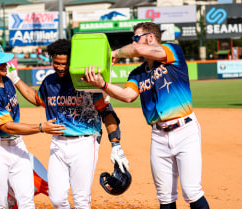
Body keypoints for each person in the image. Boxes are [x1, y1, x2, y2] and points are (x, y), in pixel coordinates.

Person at [83, 22, 210, 209]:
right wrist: (103, 85)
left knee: (192, 192)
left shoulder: (171, 52)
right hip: (159, 136)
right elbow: (128, 96)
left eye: (136, 37)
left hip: (185, 131)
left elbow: (137, 48)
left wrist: (115, 53)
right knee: (165, 197)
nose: (133, 42)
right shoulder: (138, 73)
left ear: (150, 37)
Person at [7, 39, 128, 209]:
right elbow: (37, 99)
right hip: (58, 143)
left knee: (81, 199)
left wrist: (116, 144)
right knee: (56, 199)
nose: (61, 67)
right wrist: (15, 78)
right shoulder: (49, 82)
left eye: (65, 63)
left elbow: (107, 112)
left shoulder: (85, 81)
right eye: (57, 63)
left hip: (85, 143)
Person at [0, 42, 65, 209]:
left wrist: (15, 78)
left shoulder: (7, 80)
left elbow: (34, 98)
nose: (4, 65)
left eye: (5, 61)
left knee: (26, 201)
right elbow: (7, 127)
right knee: (0, 204)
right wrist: (40, 127)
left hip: (17, 147)